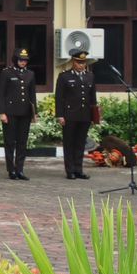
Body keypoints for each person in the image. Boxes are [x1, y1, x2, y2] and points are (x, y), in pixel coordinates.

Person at [55, 48, 98, 181]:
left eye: (83, 62)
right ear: (73, 62)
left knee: (80, 143)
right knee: (69, 143)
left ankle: (79, 170)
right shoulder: (64, 76)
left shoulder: (90, 76)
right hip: (70, 115)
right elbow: (59, 98)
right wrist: (60, 115)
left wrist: (94, 115)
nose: (81, 65)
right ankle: (70, 171)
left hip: (85, 115)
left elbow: (93, 98)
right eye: (79, 62)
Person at [0, 47, 37, 181]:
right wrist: (2, 112)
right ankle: (11, 170)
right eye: (21, 60)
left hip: (25, 113)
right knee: (9, 142)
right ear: (15, 60)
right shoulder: (6, 73)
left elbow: (32, 95)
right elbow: (2, 94)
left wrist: (34, 113)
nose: (23, 62)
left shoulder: (30, 74)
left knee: (22, 142)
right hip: (10, 112)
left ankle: (20, 169)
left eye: (25, 60)